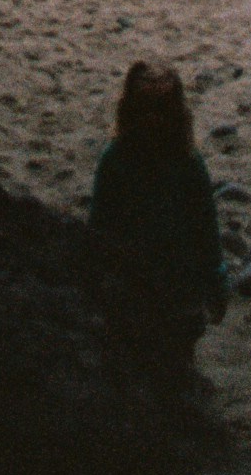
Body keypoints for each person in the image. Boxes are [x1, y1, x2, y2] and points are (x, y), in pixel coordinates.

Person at [88, 62, 227, 381]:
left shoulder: (188, 164)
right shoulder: (115, 162)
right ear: (130, 111)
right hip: (130, 281)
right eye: (145, 109)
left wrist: (216, 282)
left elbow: (207, 227)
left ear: (176, 113)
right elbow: (98, 225)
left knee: (177, 361)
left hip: (181, 284)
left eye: (161, 109)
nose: (153, 119)